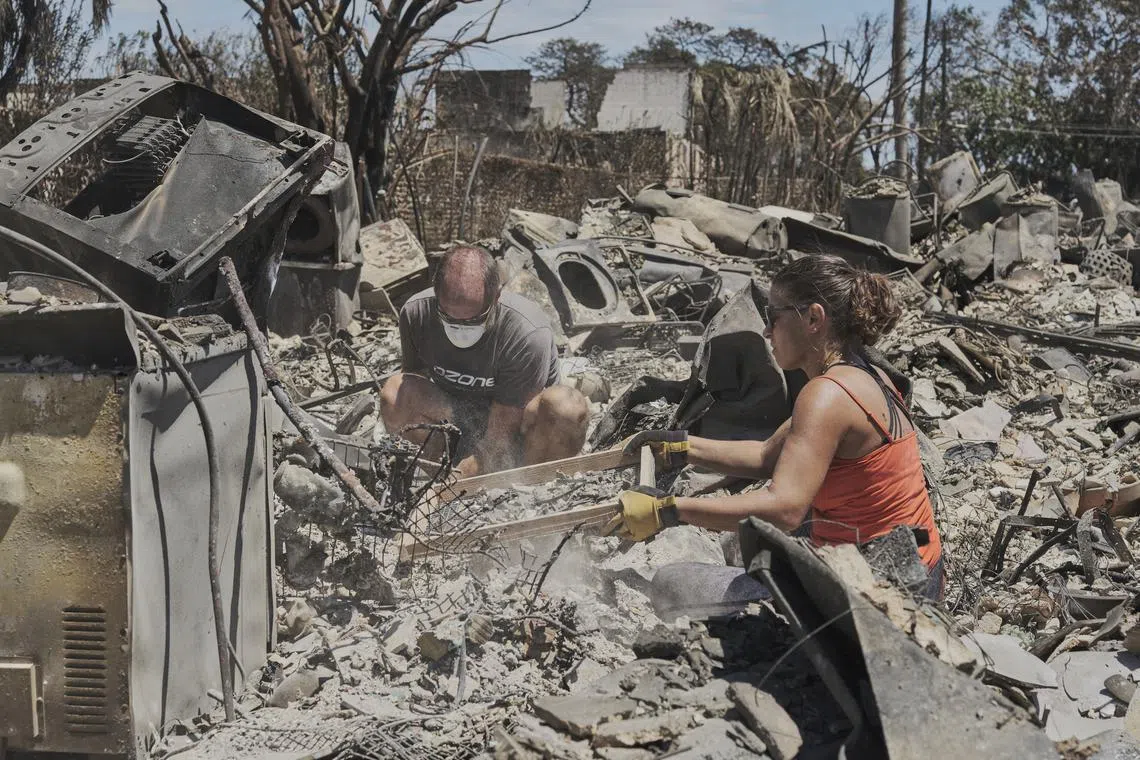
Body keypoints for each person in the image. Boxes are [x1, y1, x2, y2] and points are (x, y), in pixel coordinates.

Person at [609, 254, 943, 599]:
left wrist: (668, 511)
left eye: (774, 316)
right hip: (919, 571)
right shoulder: (868, 373)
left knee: (671, 584)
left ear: (814, 317)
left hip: (885, 596)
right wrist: (680, 446)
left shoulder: (827, 396)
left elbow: (784, 508)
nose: (766, 330)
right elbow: (768, 455)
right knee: (747, 545)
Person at [380, 244, 589, 478]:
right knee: (395, 392)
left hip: (516, 428)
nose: (460, 328)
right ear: (435, 294)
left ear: (496, 297)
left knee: (565, 408)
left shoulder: (526, 333)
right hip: (461, 415)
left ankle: (528, 487)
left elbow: (501, 437)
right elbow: (414, 383)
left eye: (474, 319)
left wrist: (449, 490)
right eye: (447, 316)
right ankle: (430, 476)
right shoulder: (417, 314)